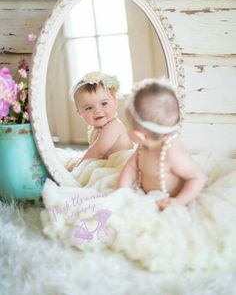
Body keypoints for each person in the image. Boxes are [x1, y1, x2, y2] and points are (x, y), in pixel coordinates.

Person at [117, 78, 206, 210]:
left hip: (168, 201)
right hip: (146, 197)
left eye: (127, 125)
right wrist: (122, 191)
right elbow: (131, 167)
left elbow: (198, 178)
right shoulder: (144, 146)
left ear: (138, 135)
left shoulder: (172, 153)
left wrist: (178, 201)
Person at [67, 71, 133, 172]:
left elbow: (97, 152)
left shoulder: (113, 127)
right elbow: (93, 152)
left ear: (115, 102)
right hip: (105, 161)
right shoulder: (94, 128)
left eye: (104, 103)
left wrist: (78, 167)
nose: (97, 111)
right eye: (89, 108)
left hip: (121, 165)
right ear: (79, 112)